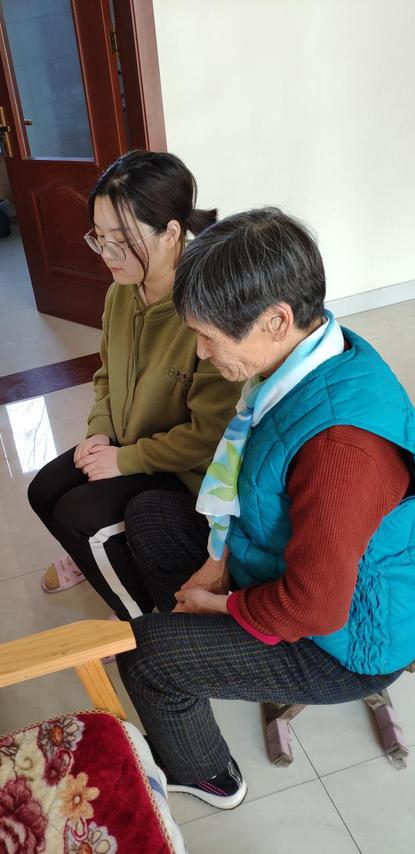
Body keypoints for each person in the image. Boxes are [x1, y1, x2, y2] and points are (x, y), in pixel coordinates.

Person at [117, 207, 415, 809]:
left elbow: (316, 606)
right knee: (149, 513)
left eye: (209, 336)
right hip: (292, 569)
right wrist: (217, 562)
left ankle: (207, 774)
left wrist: (222, 603)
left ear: (276, 320)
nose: (201, 353)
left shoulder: (340, 449)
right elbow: (255, 485)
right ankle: (198, 654)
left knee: (146, 657)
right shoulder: (312, 356)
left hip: (348, 641)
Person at [27, 151, 242, 619]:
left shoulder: (205, 311)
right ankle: (99, 556)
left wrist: (126, 460)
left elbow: (208, 436)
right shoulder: (120, 294)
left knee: (78, 515)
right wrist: (100, 431)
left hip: (182, 470)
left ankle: (142, 619)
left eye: (121, 242)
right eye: (99, 238)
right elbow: (106, 374)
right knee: (43, 490)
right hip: (129, 444)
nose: (107, 256)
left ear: (171, 233)